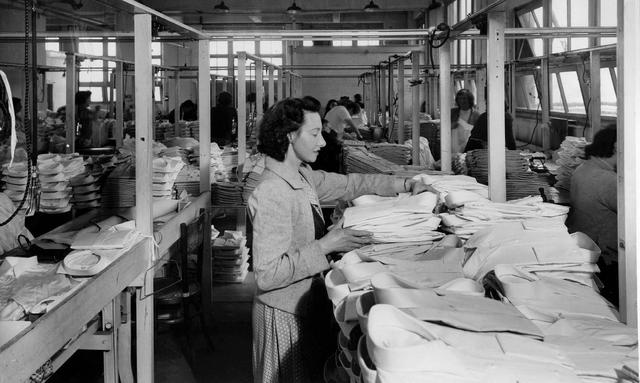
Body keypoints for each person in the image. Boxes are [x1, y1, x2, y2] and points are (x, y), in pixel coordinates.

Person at [248, 97, 431, 383]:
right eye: (314, 133)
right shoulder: (272, 190)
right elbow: (267, 275)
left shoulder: (300, 176)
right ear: (288, 135)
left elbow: (349, 185)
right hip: (281, 314)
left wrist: (405, 184)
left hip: (303, 308)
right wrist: (326, 245)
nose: (322, 142)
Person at [566, 125, 618, 303]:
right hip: (609, 262)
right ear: (618, 147)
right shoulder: (608, 181)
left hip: (587, 249)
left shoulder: (584, 168)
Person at [451, 89, 480, 153]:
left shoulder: (476, 115)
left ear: (470, 100)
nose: (462, 101)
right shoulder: (452, 112)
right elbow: (444, 128)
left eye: (464, 98)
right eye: (459, 99)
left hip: (468, 146)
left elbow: (478, 132)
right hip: (453, 145)